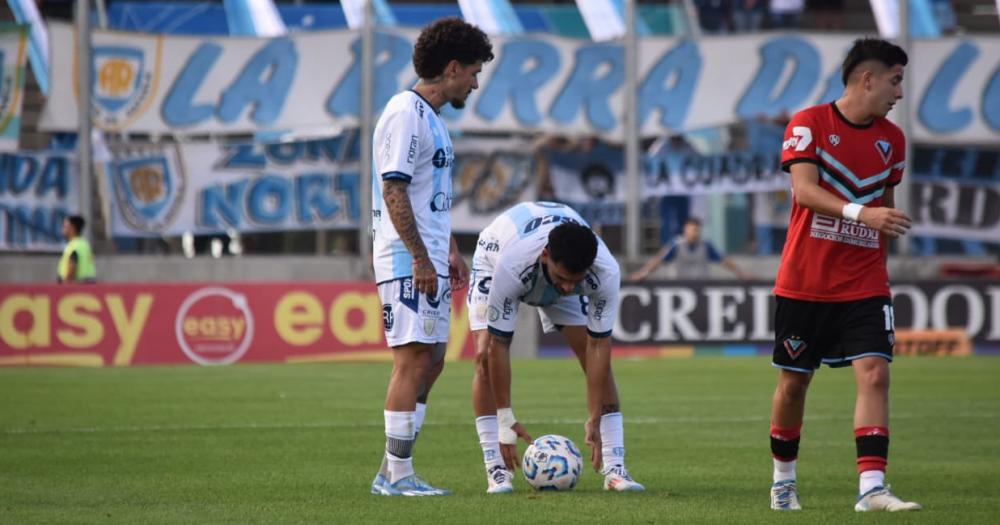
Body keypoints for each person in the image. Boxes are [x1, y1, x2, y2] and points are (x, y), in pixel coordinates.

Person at [768, 38, 920, 512]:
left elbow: (885, 211)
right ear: (867, 78)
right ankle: (783, 481)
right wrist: (864, 215)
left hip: (865, 282)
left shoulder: (892, 140)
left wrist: (884, 223)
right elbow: (805, 192)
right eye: (895, 80)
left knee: (875, 374)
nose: (899, 91)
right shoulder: (808, 124)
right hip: (805, 280)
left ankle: (872, 488)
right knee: (794, 385)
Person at [369, 17, 492, 497]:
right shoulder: (405, 112)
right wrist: (420, 258)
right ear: (453, 67)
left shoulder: (432, 120)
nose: (476, 83)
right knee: (413, 360)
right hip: (405, 259)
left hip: (429, 257)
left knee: (434, 358)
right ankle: (397, 476)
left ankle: (391, 470)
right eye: (474, 72)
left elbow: (426, 196)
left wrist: (448, 250)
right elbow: (394, 189)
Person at [469, 202, 645, 493]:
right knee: (484, 359)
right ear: (546, 255)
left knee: (596, 364)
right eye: (562, 279)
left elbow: (598, 346)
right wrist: (506, 420)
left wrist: (594, 416)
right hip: (494, 255)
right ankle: (496, 470)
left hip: (555, 260)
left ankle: (615, 469)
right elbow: (498, 346)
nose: (565, 289)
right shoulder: (512, 264)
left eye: (574, 281)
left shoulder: (605, 271)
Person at [627, 217, 755, 281]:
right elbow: (659, 260)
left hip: (702, 286)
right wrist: (642, 273)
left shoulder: (706, 245)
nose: (695, 232)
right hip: (681, 286)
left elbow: (724, 261)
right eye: (693, 229)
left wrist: (741, 274)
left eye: (697, 229)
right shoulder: (676, 244)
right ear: (685, 230)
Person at [57, 215, 96, 284]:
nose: (63, 229)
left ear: (72, 228)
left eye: (65, 226)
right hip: (88, 287)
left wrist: (65, 284)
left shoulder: (74, 246)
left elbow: (72, 266)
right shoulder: (85, 244)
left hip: (76, 288)